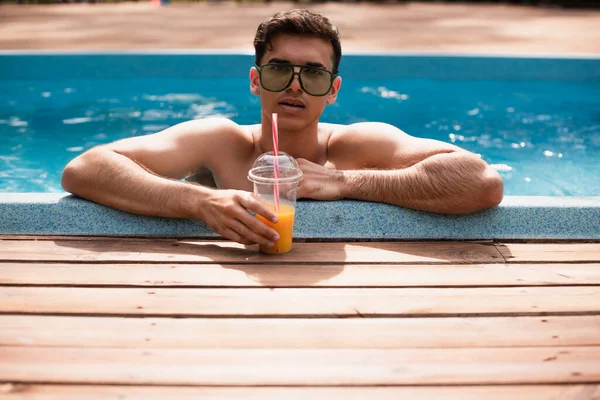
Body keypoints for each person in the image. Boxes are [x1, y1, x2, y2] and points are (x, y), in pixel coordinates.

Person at [62, 9, 503, 248]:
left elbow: (481, 181)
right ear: (255, 81)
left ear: (333, 91)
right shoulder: (221, 144)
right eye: (278, 70)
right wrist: (201, 201)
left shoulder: (357, 145)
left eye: (312, 74)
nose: (294, 85)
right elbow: (85, 167)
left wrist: (344, 181)